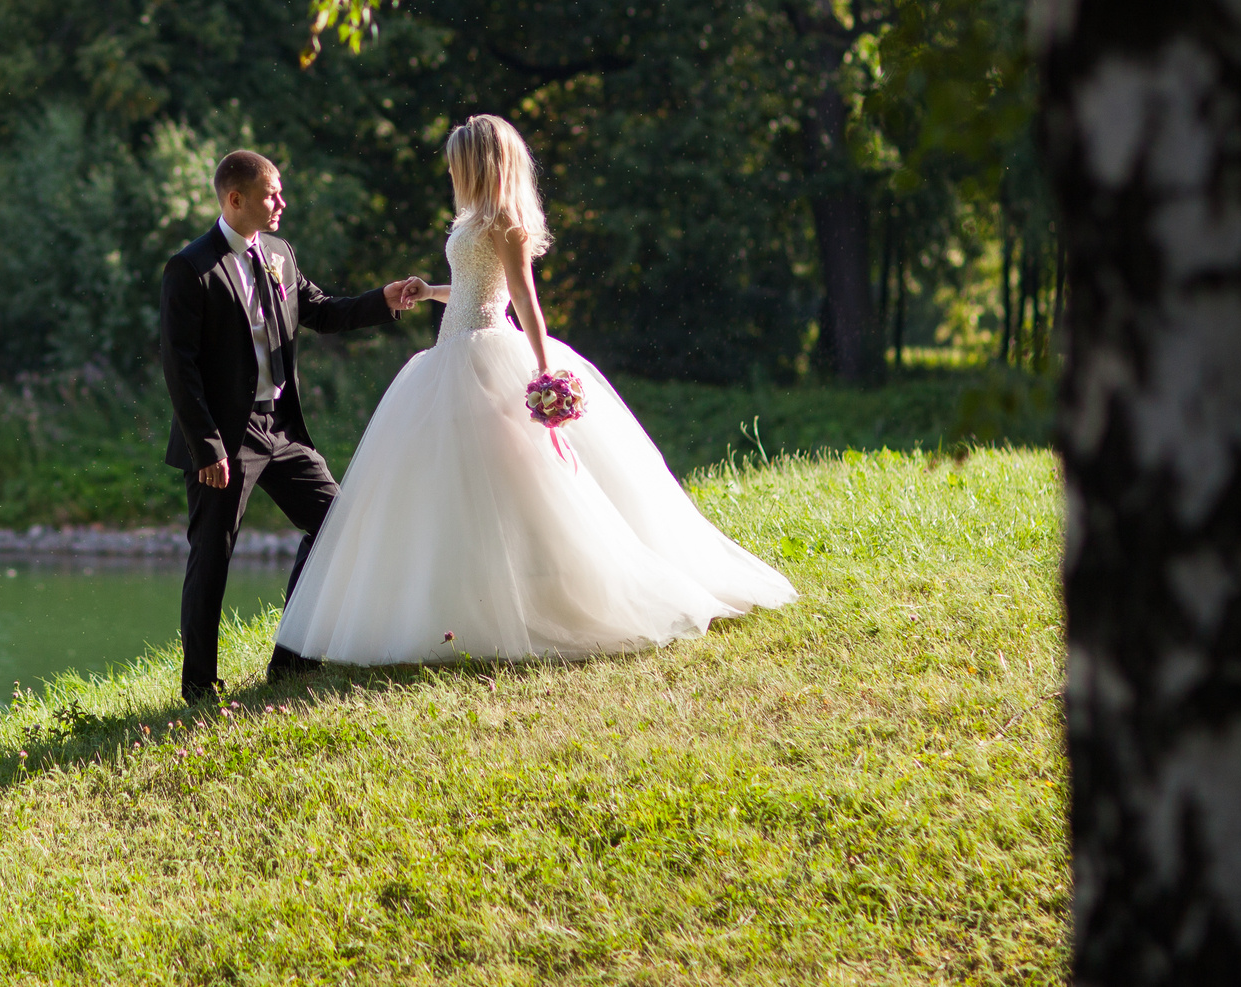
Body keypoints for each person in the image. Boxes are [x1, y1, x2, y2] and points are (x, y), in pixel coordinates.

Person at [276, 114, 797, 666]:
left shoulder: (506, 222)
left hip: (487, 357)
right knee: (461, 479)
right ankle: (464, 603)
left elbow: (521, 298)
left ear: (480, 164)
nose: (451, 173)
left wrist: (546, 374)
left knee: (514, 477)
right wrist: (429, 292)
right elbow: (477, 287)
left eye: (457, 163)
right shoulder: (474, 220)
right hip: (452, 356)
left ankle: (545, 591)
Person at [159, 149, 428, 703]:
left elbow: (321, 311)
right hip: (224, 440)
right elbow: (179, 367)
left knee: (336, 526)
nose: (281, 202)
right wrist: (207, 446)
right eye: (271, 194)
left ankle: (290, 661)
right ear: (236, 199)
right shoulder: (191, 268)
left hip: (281, 429)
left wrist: (382, 300)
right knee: (212, 557)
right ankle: (199, 688)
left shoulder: (280, 253)